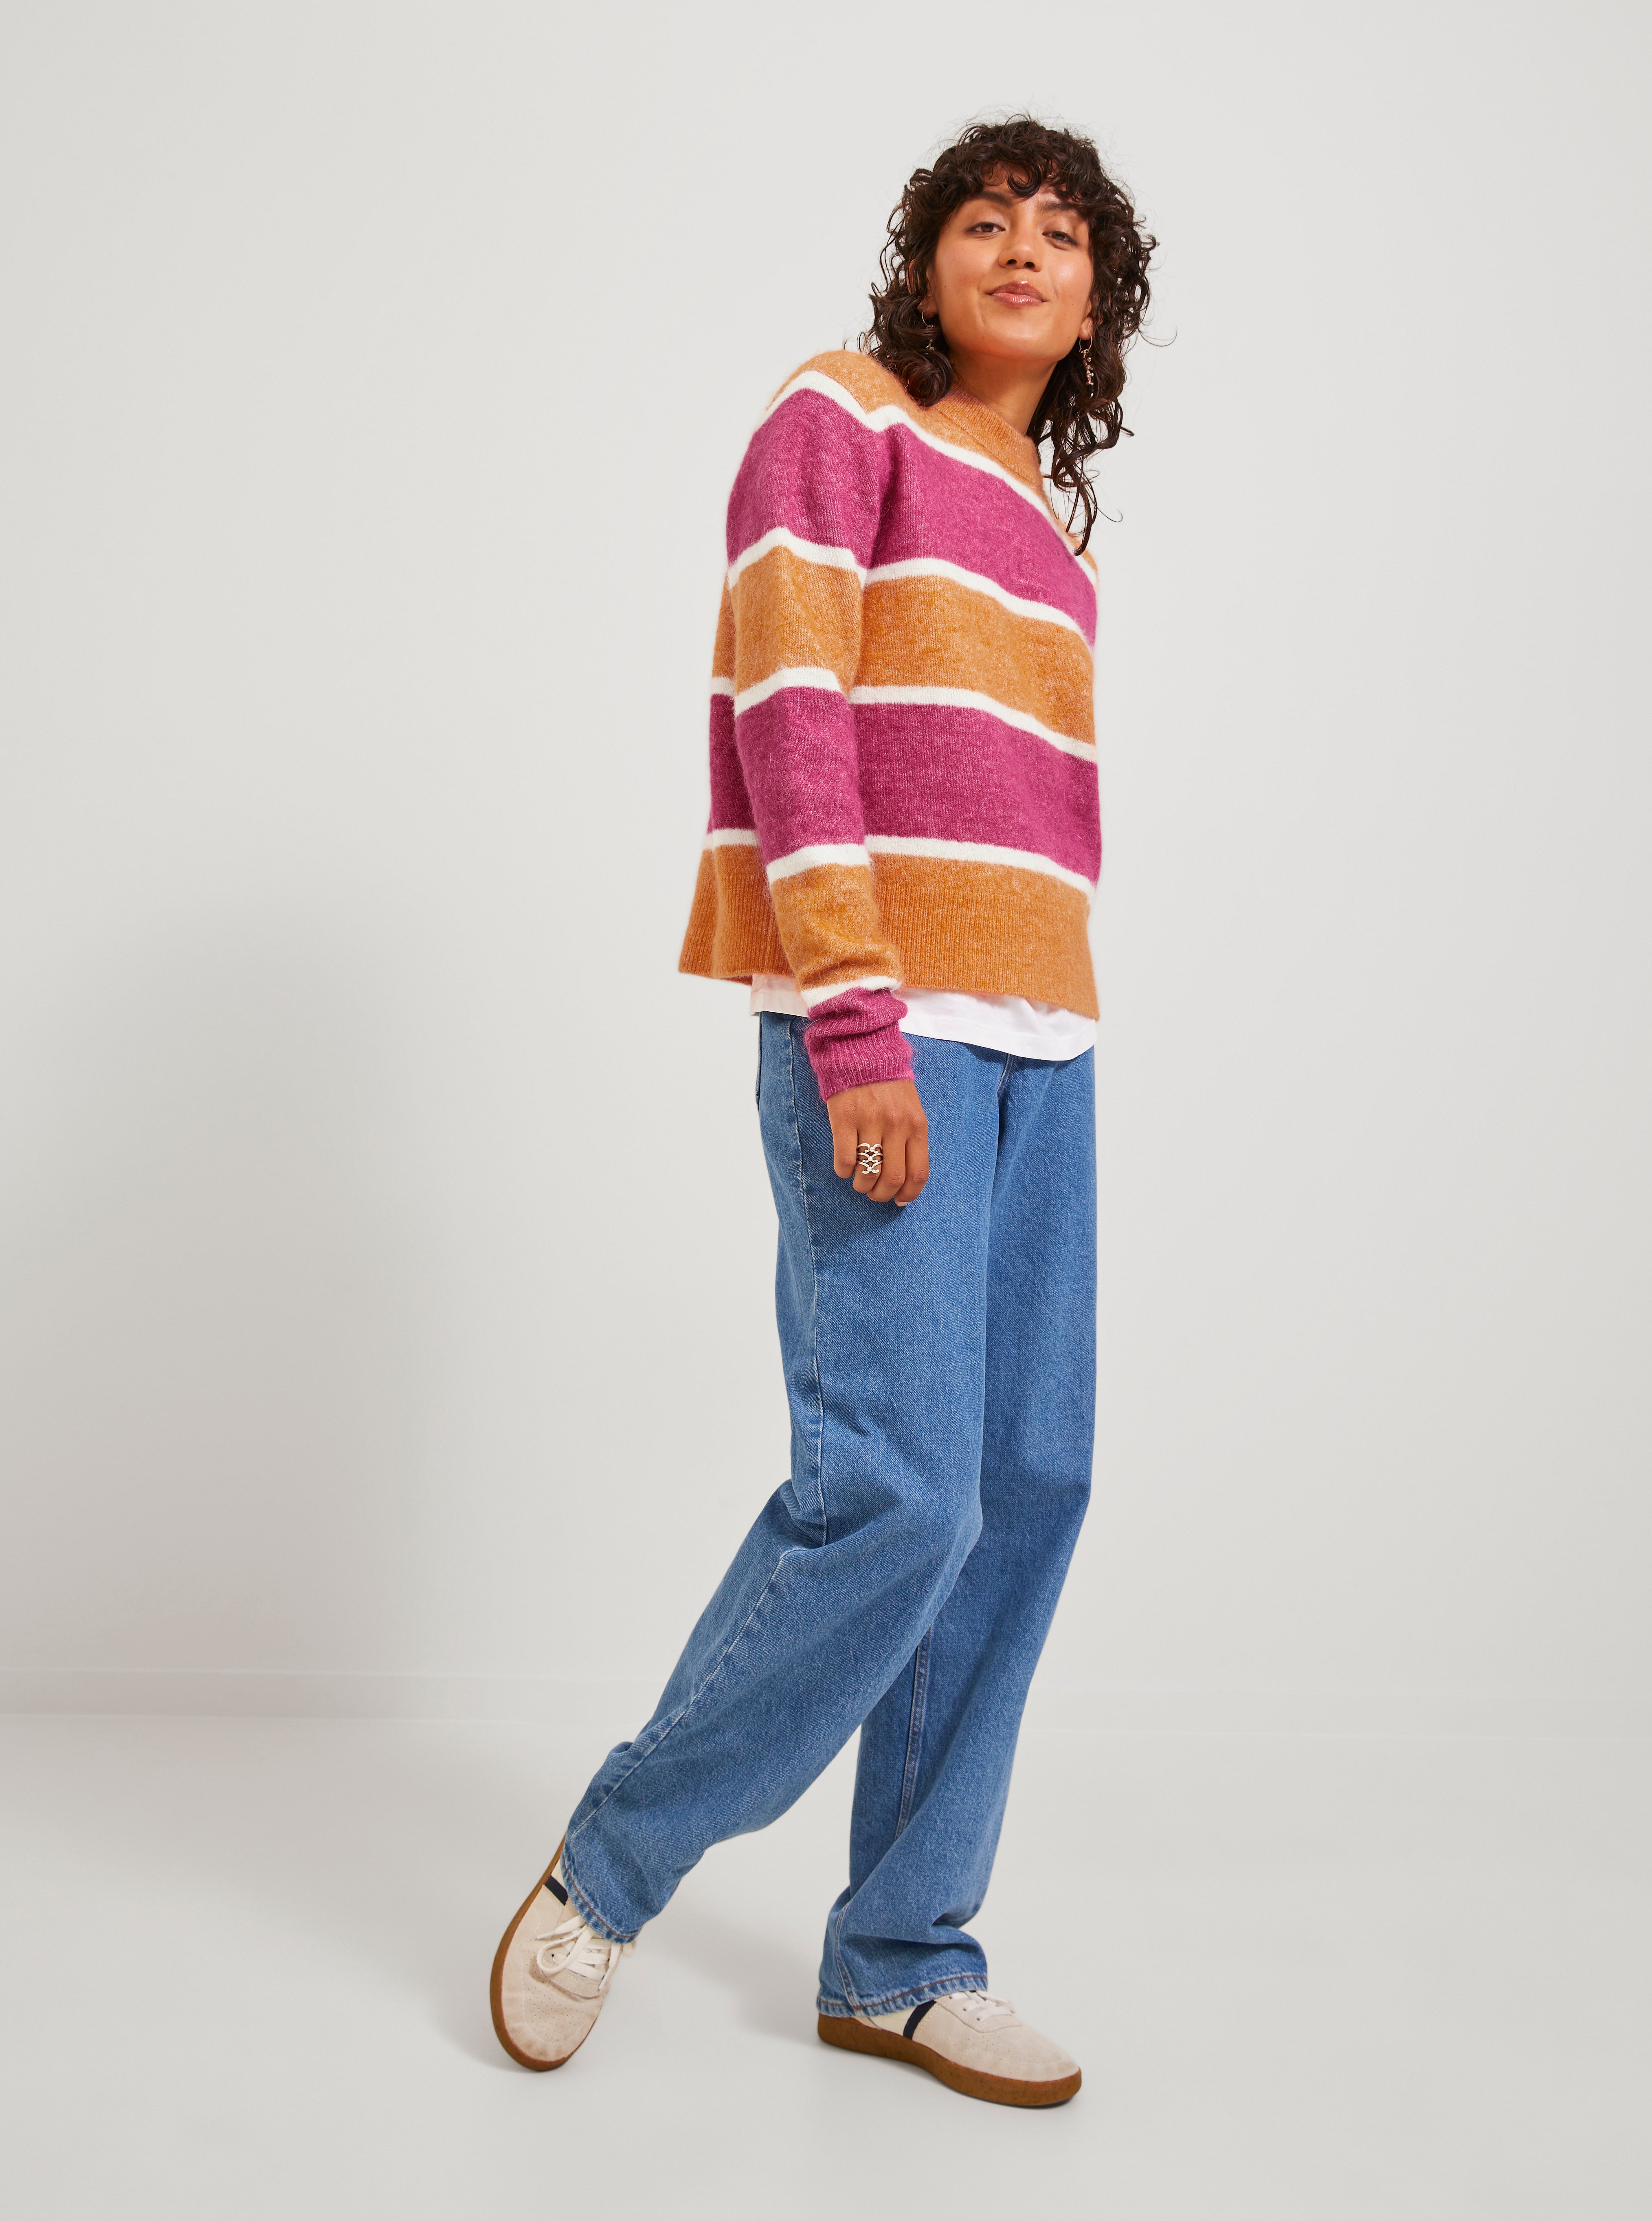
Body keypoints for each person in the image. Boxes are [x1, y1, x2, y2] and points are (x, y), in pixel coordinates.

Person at [490, 114, 1154, 2108]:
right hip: (890, 1026)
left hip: (1045, 1045)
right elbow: (790, 712)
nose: (1023, 247)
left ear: (1098, 304)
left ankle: (902, 1953)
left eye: (1062, 234)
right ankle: (610, 1863)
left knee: (1025, 1486)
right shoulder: (841, 415)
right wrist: (857, 1023)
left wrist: (1048, 1026)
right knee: (898, 1491)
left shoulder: (1053, 534)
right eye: (985, 220)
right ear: (926, 262)